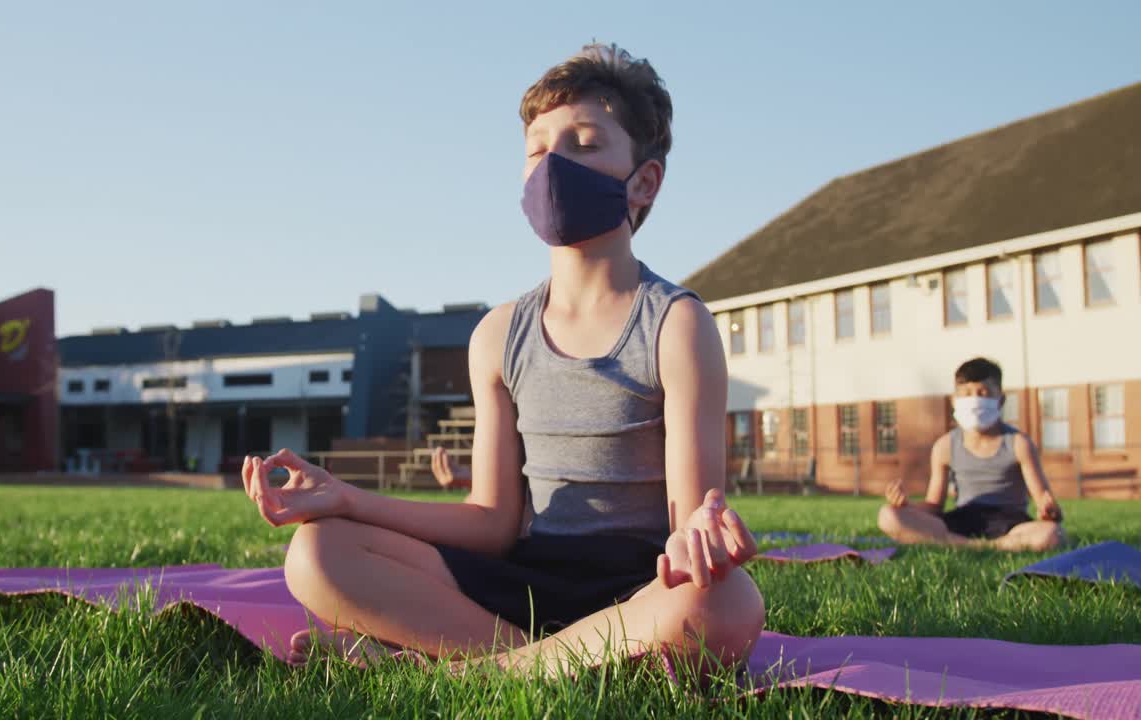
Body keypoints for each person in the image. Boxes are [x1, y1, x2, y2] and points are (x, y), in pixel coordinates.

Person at [243, 42, 763, 674]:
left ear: (644, 182)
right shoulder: (497, 334)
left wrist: (702, 531)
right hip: (515, 586)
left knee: (730, 603)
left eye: (584, 143)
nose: (554, 165)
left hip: (638, 591)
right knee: (316, 553)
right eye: (539, 149)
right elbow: (491, 523)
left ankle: (453, 671)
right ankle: (547, 664)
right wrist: (343, 497)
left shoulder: (676, 324)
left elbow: (688, 522)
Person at [878, 357, 1065, 552]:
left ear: (1000, 400)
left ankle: (962, 545)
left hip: (1010, 522)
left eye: (983, 393)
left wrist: (1050, 512)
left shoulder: (1019, 444)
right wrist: (907, 506)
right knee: (888, 516)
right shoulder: (944, 446)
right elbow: (934, 506)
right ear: (954, 400)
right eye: (966, 394)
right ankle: (990, 547)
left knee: (1052, 533)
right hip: (961, 520)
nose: (975, 401)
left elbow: (1043, 501)